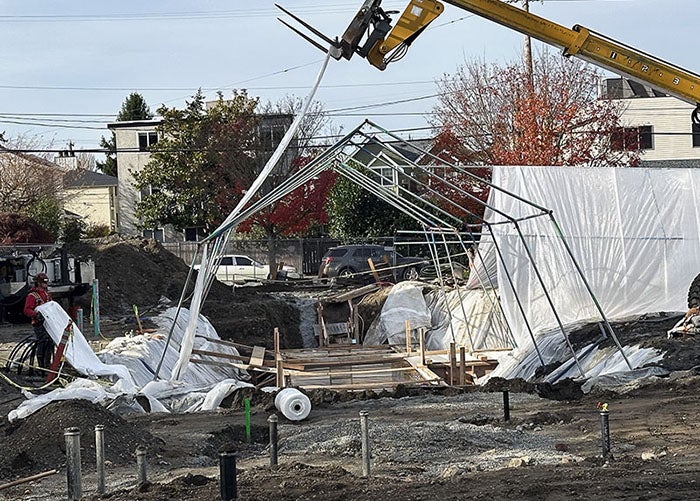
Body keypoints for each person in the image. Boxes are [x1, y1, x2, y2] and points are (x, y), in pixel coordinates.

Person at [23, 272, 54, 371]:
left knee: (50, 342)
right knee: (43, 341)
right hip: (39, 323)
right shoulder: (32, 295)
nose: (45, 284)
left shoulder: (47, 294)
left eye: (46, 282)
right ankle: (42, 366)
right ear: (38, 283)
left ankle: (47, 364)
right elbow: (27, 310)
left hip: (48, 323)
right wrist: (36, 314)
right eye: (43, 283)